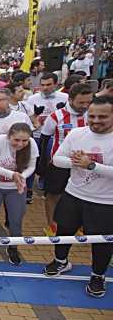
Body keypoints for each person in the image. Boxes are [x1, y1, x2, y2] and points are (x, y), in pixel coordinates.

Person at [43, 95, 113, 298]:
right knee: (63, 231)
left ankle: (98, 275)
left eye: (103, 117)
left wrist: (92, 165)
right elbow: (57, 159)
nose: (96, 121)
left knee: (101, 242)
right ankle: (61, 261)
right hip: (73, 194)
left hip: (105, 201)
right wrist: (76, 162)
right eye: (92, 116)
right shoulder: (77, 133)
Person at [37, 83, 94, 236]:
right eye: (81, 102)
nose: (85, 106)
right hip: (59, 163)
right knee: (54, 194)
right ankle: (52, 225)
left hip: (85, 164)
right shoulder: (56, 116)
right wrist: (42, 164)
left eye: (88, 102)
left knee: (84, 194)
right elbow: (44, 139)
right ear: (70, 99)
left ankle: (81, 225)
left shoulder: (92, 115)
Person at [0, 123, 38, 264]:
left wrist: (21, 177)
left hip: (16, 187)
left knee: (16, 220)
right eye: (16, 140)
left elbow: (32, 165)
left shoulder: (32, 144)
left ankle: (13, 247)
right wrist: (13, 174)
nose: (20, 144)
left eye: (24, 141)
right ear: (8, 136)